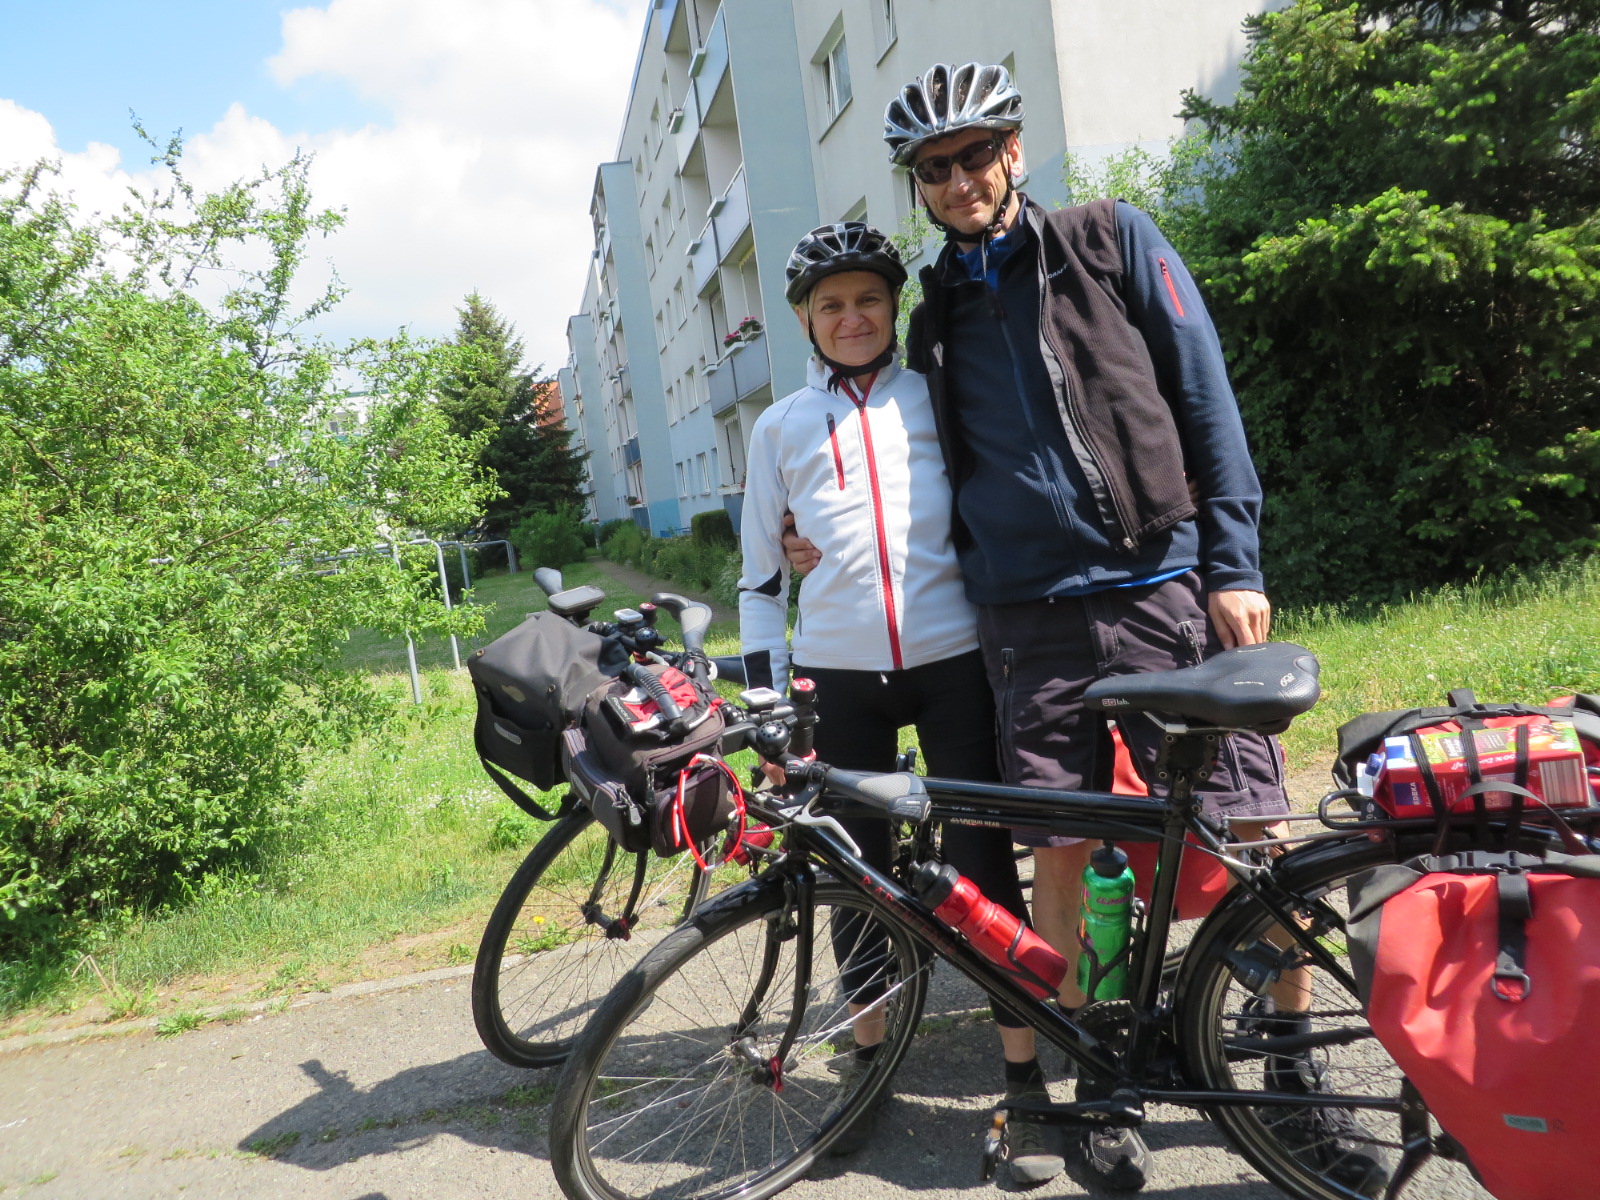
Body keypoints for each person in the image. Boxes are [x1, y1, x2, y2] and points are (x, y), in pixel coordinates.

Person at [785, 63, 1386, 1194]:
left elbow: (1204, 397)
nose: (958, 180)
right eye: (934, 168)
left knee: (1246, 831)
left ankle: (1290, 1071)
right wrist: (806, 535)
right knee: (1057, 854)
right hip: (1025, 621)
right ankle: (1099, 1074)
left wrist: (1233, 562)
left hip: (1160, 585)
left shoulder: (1110, 240)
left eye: (974, 155)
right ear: (918, 185)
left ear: (1012, 152)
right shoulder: (934, 311)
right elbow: (911, 462)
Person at [737, 221, 1066, 1183]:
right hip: (838, 676)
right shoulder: (779, 426)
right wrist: (766, 706)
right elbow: (759, 583)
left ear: (895, 307)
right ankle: (870, 1062)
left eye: (869, 300)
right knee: (860, 877)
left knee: (983, 868)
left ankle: (1025, 1080)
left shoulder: (936, 396)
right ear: (805, 318)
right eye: (831, 304)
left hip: (953, 659)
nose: (853, 318)